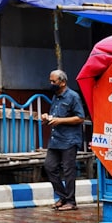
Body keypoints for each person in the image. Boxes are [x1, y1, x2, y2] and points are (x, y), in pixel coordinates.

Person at [43, 69, 85, 211]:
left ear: (62, 82)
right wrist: (46, 118)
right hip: (55, 140)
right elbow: (54, 116)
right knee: (49, 166)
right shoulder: (56, 97)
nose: (51, 84)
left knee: (68, 170)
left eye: (53, 81)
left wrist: (60, 121)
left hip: (69, 140)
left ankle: (71, 202)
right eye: (50, 81)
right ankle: (63, 197)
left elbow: (80, 118)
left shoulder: (73, 97)